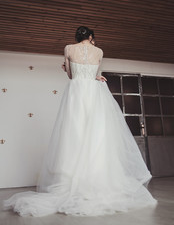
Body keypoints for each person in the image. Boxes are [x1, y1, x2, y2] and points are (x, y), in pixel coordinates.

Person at [3, 26, 157, 217]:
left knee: (74, 133)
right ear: (91, 37)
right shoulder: (99, 51)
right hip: (94, 93)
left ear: (77, 37)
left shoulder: (69, 48)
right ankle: (97, 179)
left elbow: (70, 75)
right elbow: (93, 73)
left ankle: (73, 180)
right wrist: (94, 76)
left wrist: (67, 68)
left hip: (76, 91)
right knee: (97, 134)